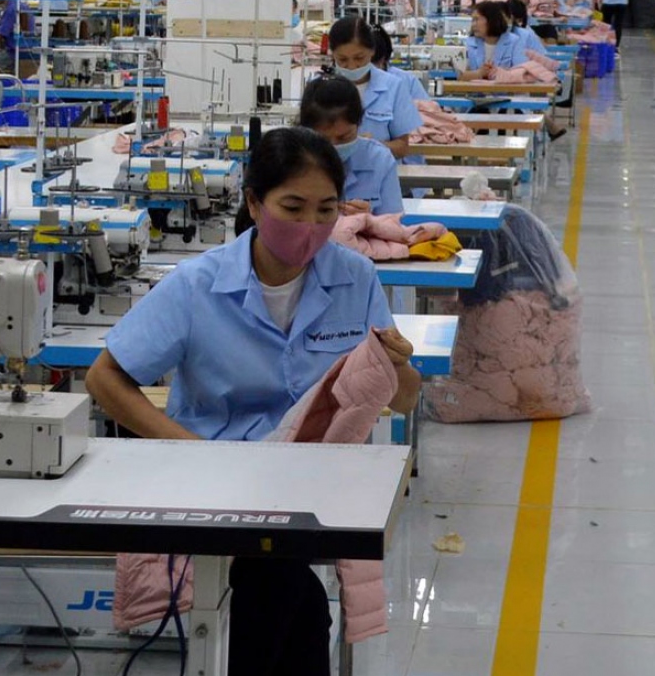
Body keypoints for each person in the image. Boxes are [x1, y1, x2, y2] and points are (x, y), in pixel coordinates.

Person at [86, 127, 420, 676]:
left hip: (311, 481)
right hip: (213, 483)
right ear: (253, 202)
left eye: (326, 210)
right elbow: (105, 379)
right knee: (284, 588)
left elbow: (405, 401)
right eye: (293, 207)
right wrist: (191, 450)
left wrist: (400, 364)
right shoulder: (198, 285)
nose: (310, 226)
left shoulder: (354, 277)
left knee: (277, 586)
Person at [298, 77, 404, 216]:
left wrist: (370, 221)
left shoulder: (379, 160)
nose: (334, 147)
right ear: (305, 130)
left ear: (359, 124)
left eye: (344, 137)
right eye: (323, 140)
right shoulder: (288, 160)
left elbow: (394, 222)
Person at [325, 17, 422, 159]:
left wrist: (373, 146)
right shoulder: (321, 88)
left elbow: (402, 147)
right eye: (342, 60)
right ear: (332, 54)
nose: (352, 66)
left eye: (359, 58)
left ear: (372, 51)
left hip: (378, 170)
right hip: (333, 170)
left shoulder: (393, 86)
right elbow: (309, 142)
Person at [462, 1, 526, 76]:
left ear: (491, 20)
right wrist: (478, 73)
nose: (473, 25)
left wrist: (497, 73)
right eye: (472, 20)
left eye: (476, 19)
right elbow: (460, 75)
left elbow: (521, 72)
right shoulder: (470, 43)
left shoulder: (515, 42)